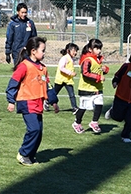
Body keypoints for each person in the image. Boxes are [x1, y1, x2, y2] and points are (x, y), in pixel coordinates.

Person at [6, 36, 59, 166]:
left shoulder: (43, 68)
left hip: (38, 103)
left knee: (39, 132)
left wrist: (54, 101)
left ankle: (30, 155)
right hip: (26, 101)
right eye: (43, 50)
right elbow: (13, 83)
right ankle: (23, 153)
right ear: (33, 51)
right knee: (34, 129)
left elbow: (48, 86)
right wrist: (11, 100)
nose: (44, 53)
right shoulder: (24, 66)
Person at [73, 38, 109, 134]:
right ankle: (77, 122)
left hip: (97, 88)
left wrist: (104, 70)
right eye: (96, 48)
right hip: (86, 88)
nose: (99, 51)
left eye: (100, 48)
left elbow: (98, 69)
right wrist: (98, 77)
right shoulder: (87, 60)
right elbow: (85, 73)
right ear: (90, 49)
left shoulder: (98, 59)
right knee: (83, 107)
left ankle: (94, 122)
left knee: (99, 104)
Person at [54, 42, 79, 113]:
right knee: (54, 93)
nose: (75, 52)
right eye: (74, 51)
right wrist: (70, 73)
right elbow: (61, 68)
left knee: (72, 94)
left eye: (76, 51)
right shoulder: (64, 58)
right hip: (60, 80)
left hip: (68, 80)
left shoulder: (71, 59)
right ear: (68, 51)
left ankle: (74, 107)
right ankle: (47, 102)